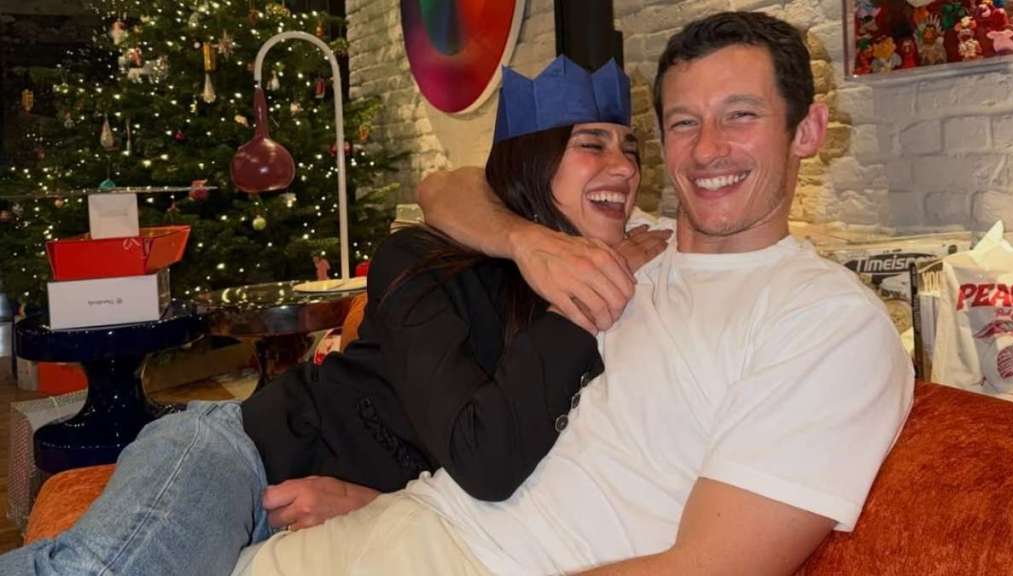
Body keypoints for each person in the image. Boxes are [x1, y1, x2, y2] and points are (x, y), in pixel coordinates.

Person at [236, 11, 914, 576]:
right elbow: (444, 188)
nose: (708, 150)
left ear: (807, 131)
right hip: (396, 523)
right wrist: (529, 242)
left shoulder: (826, 322)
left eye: (740, 115)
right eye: (684, 123)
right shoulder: (626, 246)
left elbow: (707, 567)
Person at [0, 56, 667, 575]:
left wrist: (374, 501)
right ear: (531, 162)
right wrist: (582, 301)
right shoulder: (425, 262)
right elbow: (484, 456)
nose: (624, 166)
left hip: (324, 520)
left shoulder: (641, 285)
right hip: (239, 458)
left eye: (631, 148)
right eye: (593, 144)